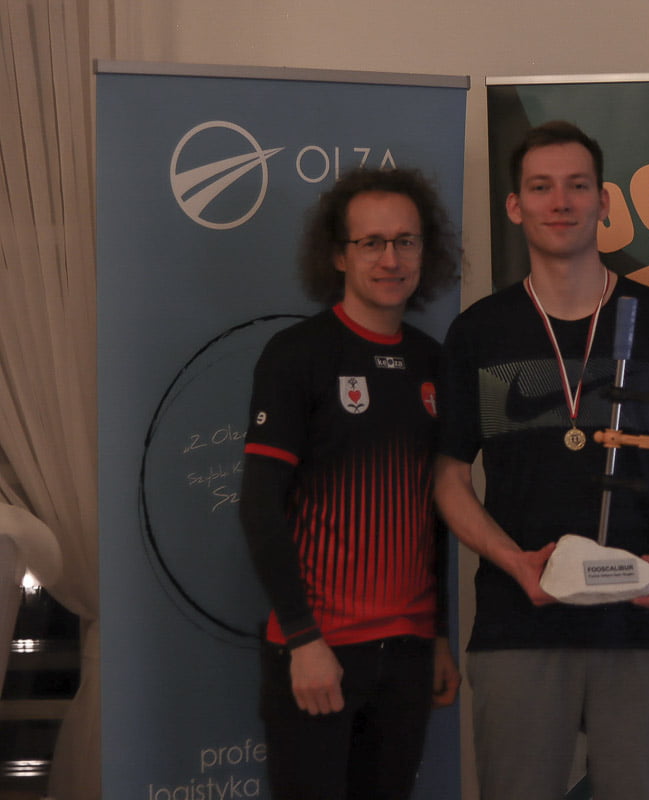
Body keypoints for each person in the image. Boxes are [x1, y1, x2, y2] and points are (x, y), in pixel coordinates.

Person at [434, 120, 649, 800]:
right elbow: (448, 479)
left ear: (604, 200)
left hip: (646, 621)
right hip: (519, 621)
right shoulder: (478, 331)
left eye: (577, 186)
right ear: (515, 206)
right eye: (541, 187)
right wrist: (514, 562)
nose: (560, 202)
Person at [239, 167, 462, 800]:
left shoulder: (433, 362)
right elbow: (259, 505)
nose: (391, 259)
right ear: (338, 255)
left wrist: (438, 635)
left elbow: (436, 513)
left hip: (409, 653)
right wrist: (303, 638)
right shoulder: (297, 354)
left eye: (406, 241)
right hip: (320, 651)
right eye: (371, 243)